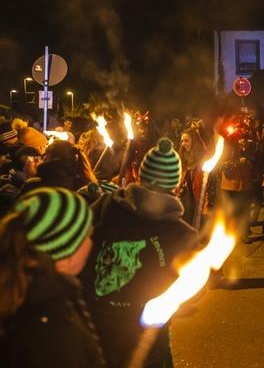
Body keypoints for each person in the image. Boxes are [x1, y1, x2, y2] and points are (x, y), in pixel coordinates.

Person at [80, 138, 197, 367]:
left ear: (141, 177)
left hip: (94, 325)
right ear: (177, 182)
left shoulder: (105, 204)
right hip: (143, 340)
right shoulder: (179, 234)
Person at [0, 187, 105, 367]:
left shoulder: (24, 290)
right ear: (67, 255)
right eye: (88, 235)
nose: (92, 242)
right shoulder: (54, 332)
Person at [177, 127, 208, 225]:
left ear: (194, 141)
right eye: (182, 141)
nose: (183, 144)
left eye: (186, 140)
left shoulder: (203, 159)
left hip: (197, 196)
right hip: (185, 196)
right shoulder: (181, 157)